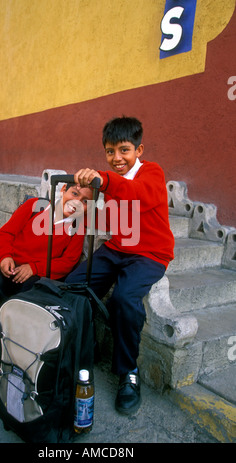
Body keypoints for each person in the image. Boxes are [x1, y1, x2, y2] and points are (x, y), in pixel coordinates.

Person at [66, 116, 175, 415]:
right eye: (110, 152)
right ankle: (76, 356)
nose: (117, 158)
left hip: (150, 253)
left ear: (139, 150)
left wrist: (104, 179)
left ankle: (128, 373)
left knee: (124, 299)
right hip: (117, 247)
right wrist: (83, 199)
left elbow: (136, 196)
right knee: (74, 286)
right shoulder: (110, 179)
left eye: (124, 150)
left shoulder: (151, 173)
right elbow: (105, 214)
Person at [0, 182, 93, 377]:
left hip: (37, 274)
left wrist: (34, 268)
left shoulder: (77, 225)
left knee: (25, 305)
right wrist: (5, 256)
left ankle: (16, 355)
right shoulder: (34, 207)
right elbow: (6, 233)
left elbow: (68, 261)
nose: (77, 202)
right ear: (63, 190)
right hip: (9, 264)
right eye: (74, 193)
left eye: (85, 201)